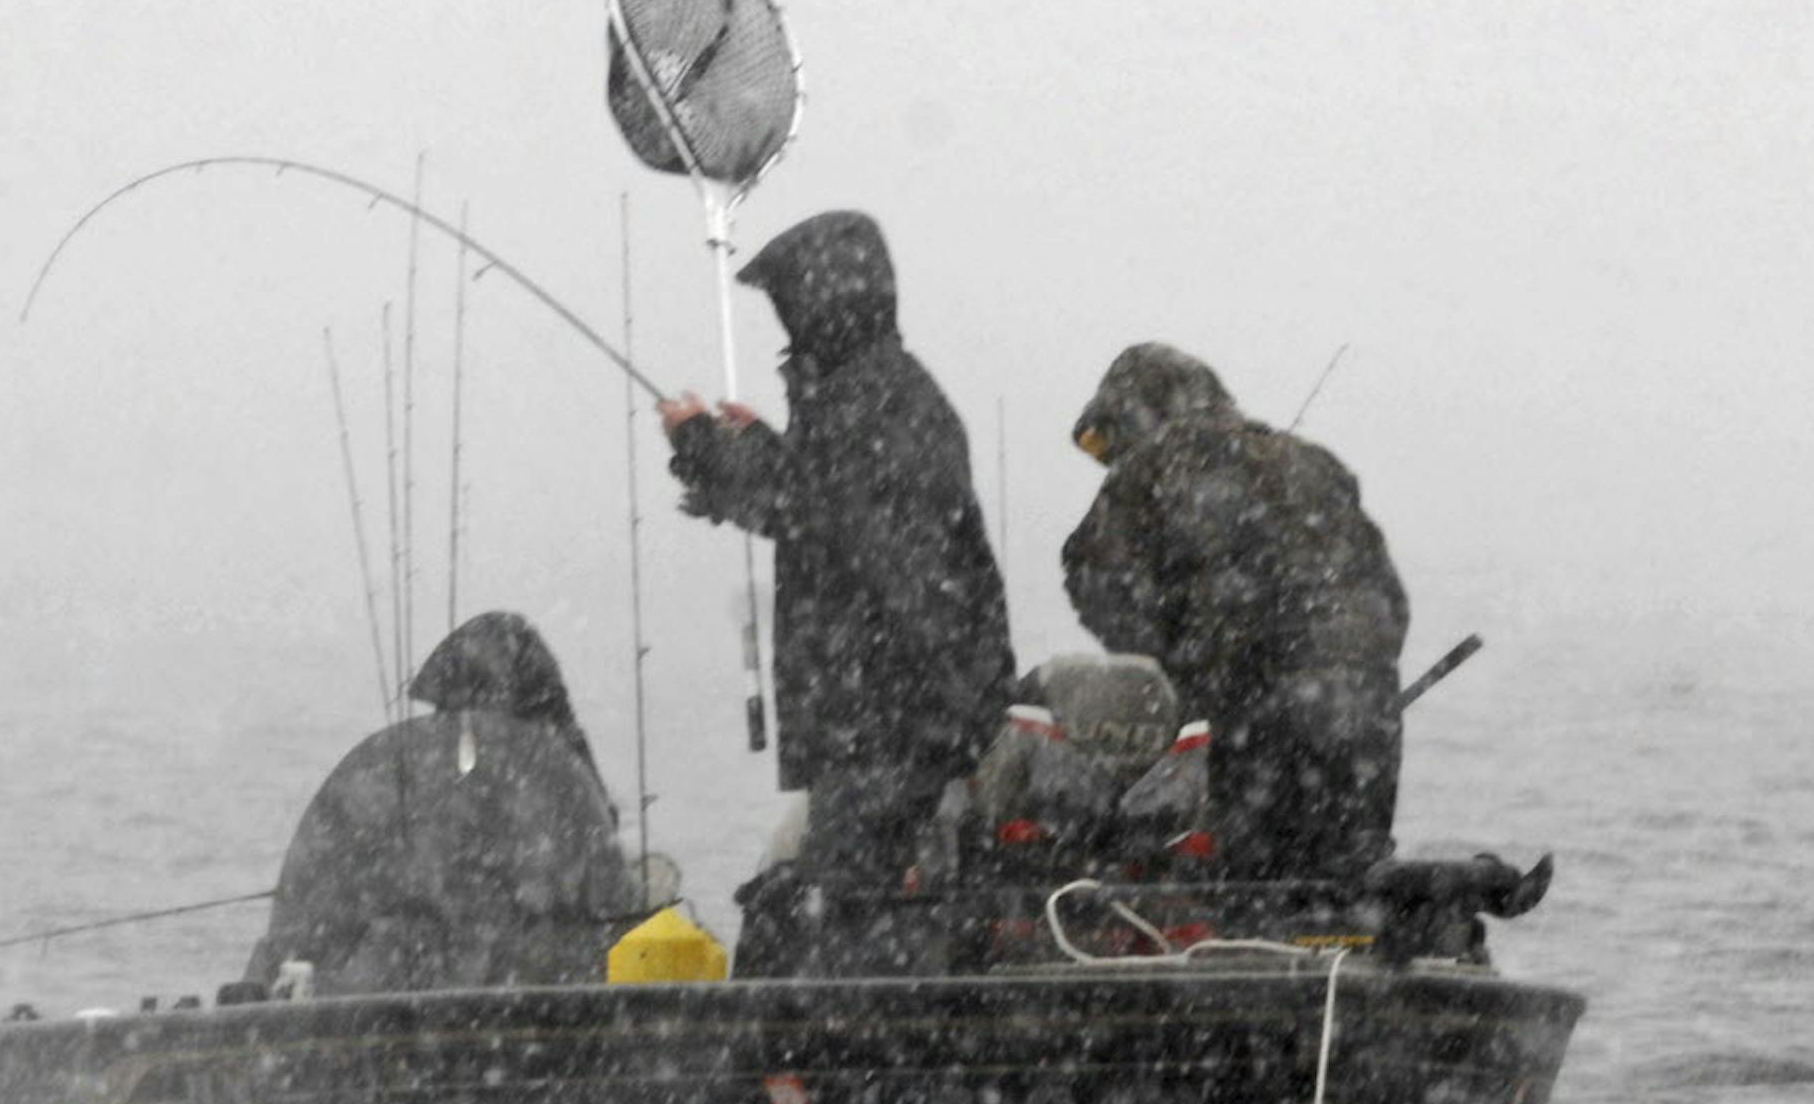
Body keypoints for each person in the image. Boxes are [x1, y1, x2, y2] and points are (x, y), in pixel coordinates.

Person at [657, 210, 1016, 882]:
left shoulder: (870, 404)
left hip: (891, 728)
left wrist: (702, 444)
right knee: (859, 911)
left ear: (820, 306)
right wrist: (759, 446)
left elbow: (815, 512)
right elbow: (828, 505)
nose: (787, 327)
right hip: (904, 724)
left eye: (790, 304)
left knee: (848, 923)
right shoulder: (883, 397)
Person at [1060, 344, 1408, 880]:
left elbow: (1091, 571)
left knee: (1243, 880)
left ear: (1131, 411)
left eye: (1106, 440)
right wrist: (1353, 677)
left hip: (1252, 713)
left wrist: (1171, 669)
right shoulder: (1317, 463)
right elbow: (1389, 603)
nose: (1109, 458)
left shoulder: (1156, 459)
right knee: (1343, 875)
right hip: (1365, 719)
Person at [244, 611, 644, 995]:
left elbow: (596, 881)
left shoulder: (552, 772)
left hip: (451, 986)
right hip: (504, 991)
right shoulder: (546, 769)